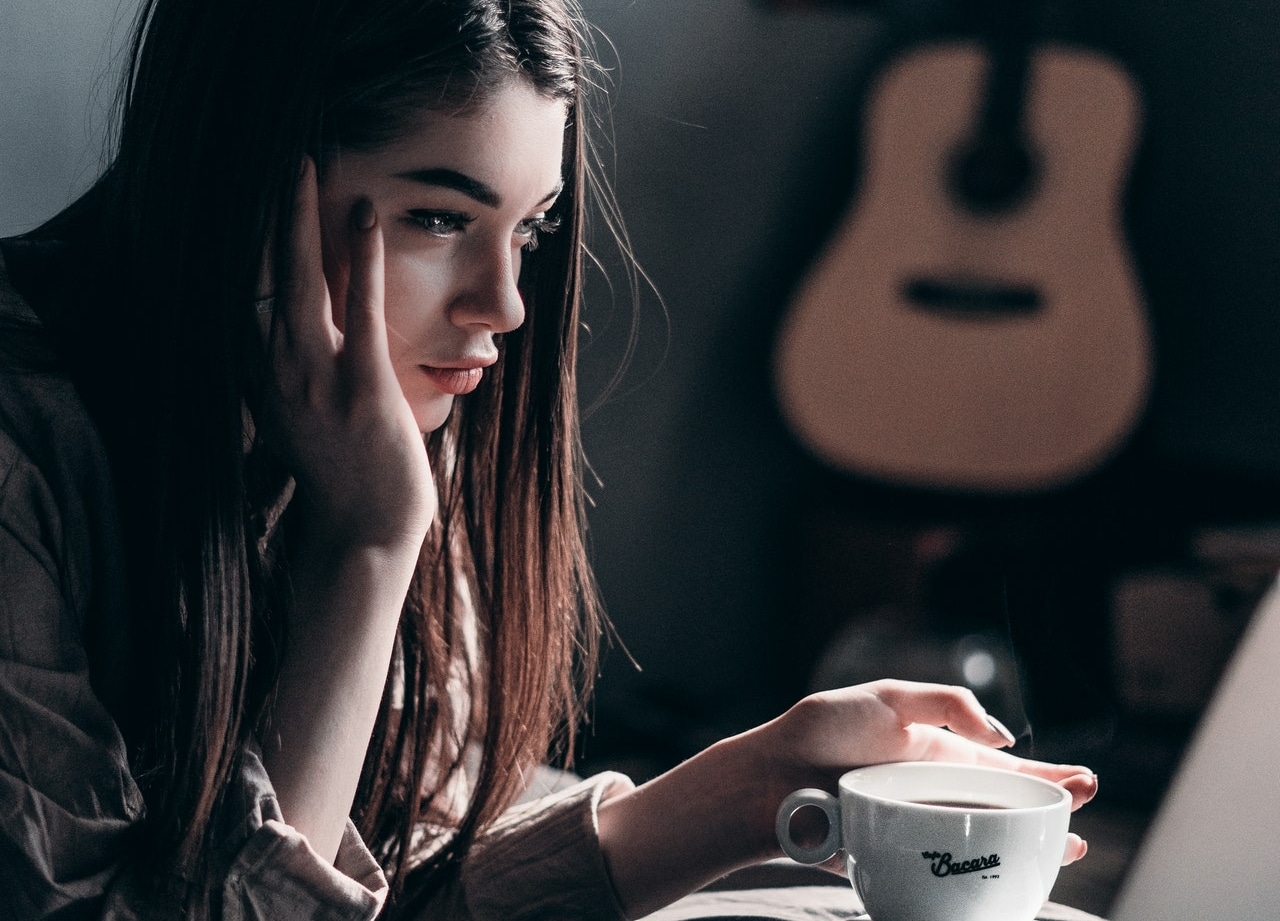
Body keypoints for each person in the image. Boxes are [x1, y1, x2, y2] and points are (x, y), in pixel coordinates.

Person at [0, 0, 1099, 918]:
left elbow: (382, 879)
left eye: (528, 229)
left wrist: (752, 784)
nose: (505, 305)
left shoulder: (360, 426)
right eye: (437, 218)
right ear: (237, 178)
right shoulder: (29, 460)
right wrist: (372, 549)